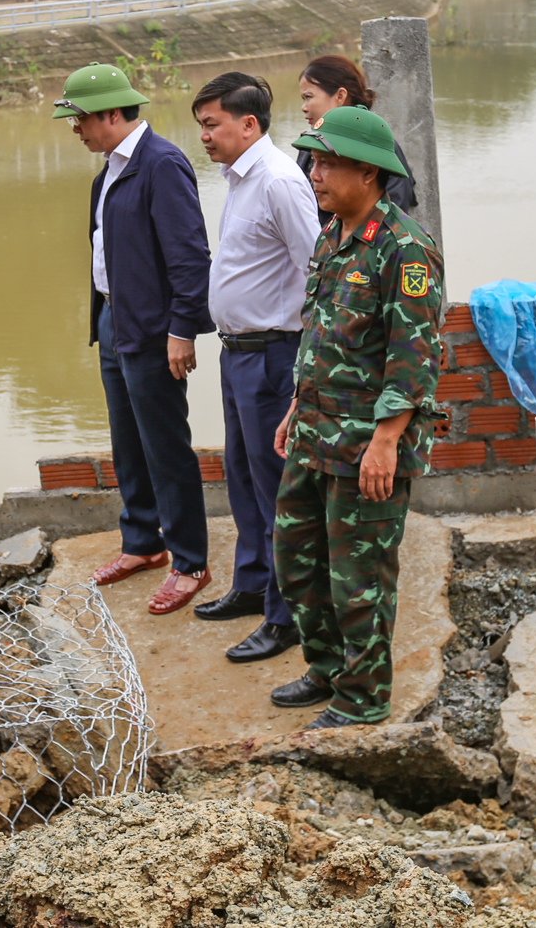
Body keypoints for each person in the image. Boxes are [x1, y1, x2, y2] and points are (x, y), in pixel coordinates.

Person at [269, 106, 444, 728]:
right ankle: (326, 667)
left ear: (367, 172)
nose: (314, 174)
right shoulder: (331, 235)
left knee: (359, 578)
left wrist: (387, 441)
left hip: (366, 445)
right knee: (296, 556)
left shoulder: (404, 249)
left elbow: (415, 356)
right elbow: (320, 336)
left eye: (327, 163)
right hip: (316, 433)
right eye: (314, 162)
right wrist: (295, 407)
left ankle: (364, 698)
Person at [54, 63, 216, 614]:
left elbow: (191, 257)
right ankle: (142, 543)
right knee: (127, 441)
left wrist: (181, 329)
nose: (75, 128)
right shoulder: (109, 171)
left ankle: (190, 560)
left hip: (153, 328)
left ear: (110, 113)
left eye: (78, 118)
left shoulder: (161, 165)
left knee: (165, 445)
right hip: (113, 320)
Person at [190, 72, 322, 664]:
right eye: (201, 126)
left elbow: (317, 270)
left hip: (274, 354)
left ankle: (286, 615)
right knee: (242, 475)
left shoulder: (278, 181)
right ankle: (251, 584)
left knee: (277, 489)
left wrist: (308, 368)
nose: (204, 137)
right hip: (238, 351)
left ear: (249, 124)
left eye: (212, 125)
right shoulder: (239, 178)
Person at [294, 55, 417, 222]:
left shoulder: (375, 146)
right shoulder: (309, 146)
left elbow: (393, 210)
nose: (304, 107)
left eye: (308, 97)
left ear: (340, 96)